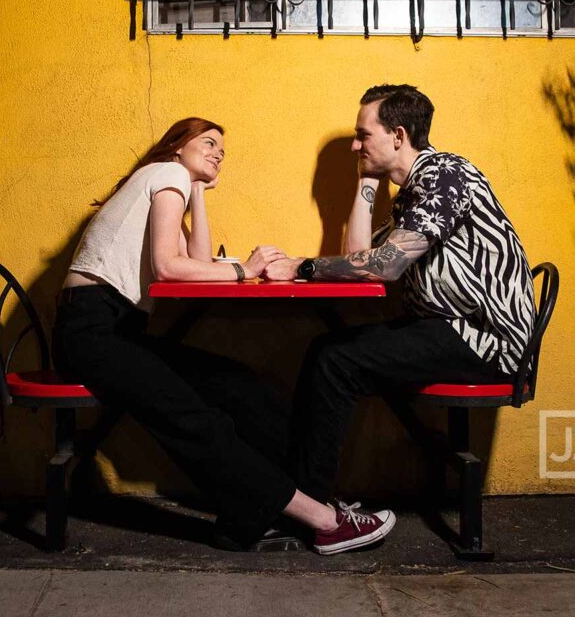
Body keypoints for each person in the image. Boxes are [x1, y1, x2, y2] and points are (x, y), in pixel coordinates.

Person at [52, 117, 395, 554]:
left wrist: (198, 190)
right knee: (196, 418)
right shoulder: (166, 174)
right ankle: (324, 520)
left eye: (222, 151)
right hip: (91, 334)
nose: (218, 153)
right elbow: (168, 269)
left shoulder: (171, 182)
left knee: (238, 384)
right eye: (209, 143)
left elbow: (191, 260)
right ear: (177, 146)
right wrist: (244, 269)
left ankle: (255, 517)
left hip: (117, 332)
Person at [264, 86, 536, 504]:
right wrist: (366, 181)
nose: (356, 144)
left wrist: (304, 266)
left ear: (398, 135)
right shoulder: (414, 193)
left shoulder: (446, 175)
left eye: (363, 135)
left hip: (486, 340)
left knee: (334, 359)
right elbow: (360, 260)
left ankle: (307, 504)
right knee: (327, 350)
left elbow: (385, 266)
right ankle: (300, 499)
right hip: (451, 330)